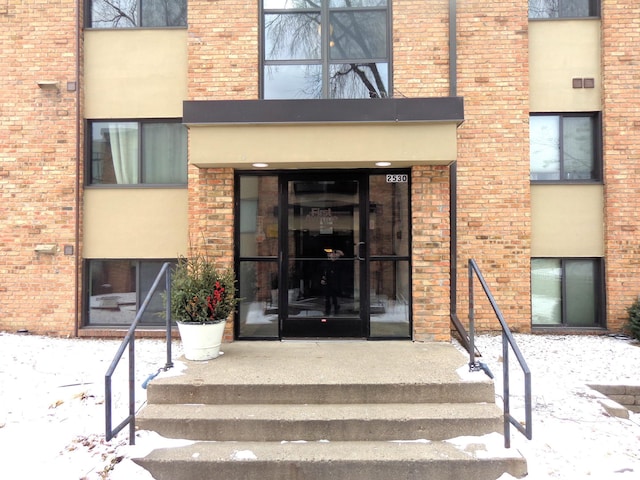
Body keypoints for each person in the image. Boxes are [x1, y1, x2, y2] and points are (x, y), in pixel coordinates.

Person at [321, 249, 343, 315]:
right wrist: (323, 279)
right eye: (331, 254)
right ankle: (327, 310)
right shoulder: (326, 263)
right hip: (328, 282)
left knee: (335, 297)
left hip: (336, 282)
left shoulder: (339, 263)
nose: (333, 255)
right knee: (327, 297)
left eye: (334, 254)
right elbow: (324, 272)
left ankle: (336, 309)